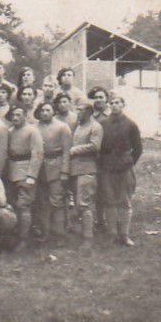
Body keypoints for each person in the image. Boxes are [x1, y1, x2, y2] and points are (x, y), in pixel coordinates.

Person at [99, 94, 143, 247]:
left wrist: (128, 162)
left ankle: (124, 235)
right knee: (109, 200)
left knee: (124, 201)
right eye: (111, 103)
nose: (114, 105)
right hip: (107, 167)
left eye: (117, 102)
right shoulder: (103, 124)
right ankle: (112, 234)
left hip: (124, 167)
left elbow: (138, 149)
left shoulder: (131, 125)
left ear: (123, 104)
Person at [7, 105, 44, 252]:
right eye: (13, 115)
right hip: (12, 172)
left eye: (18, 115)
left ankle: (24, 240)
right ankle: (15, 236)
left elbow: (38, 153)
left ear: (25, 115)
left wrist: (32, 175)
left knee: (24, 206)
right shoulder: (10, 131)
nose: (15, 118)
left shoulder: (32, 131)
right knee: (14, 205)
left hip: (25, 172)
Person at [35, 101, 72, 245]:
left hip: (56, 167)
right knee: (42, 202)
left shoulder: (62, 127)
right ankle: (45, 232)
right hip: (40, 169)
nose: (44, 113)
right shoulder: (35, 127)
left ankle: (60, 234)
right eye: (42, 110)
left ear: (53, 111)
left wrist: (64, 171)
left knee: (57, 202)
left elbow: (67, 151)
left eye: (47, 110)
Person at [69, 97, 103, 248]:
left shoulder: (95, 127)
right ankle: (77, 231)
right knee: (77, 203)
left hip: (87, 169)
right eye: (77, 110)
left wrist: (75, 150)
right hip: (75, 169)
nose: (77, 113)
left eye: (80, 110)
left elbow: (95, 146)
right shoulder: (79, 126)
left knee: (84, 204)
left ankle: (88, 238)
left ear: (88, 112)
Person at [87, 85, 111, 231]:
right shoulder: (91, 117)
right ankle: (100, 219)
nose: (99, 100)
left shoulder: (111, 115)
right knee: (96, 189)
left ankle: (111, 220)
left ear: (106, 99)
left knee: (109, 188)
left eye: (101, 97)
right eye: (96, 97)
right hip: (94, 157)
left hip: (109, 157)